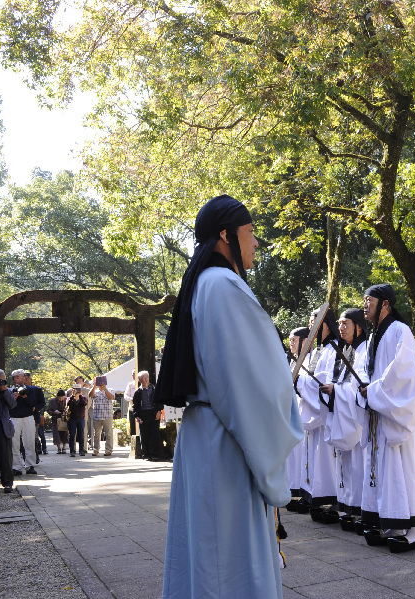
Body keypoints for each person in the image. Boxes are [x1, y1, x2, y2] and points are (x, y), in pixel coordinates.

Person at [159, 194, 303, 599]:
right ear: (225, 235)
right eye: (251, 233)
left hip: (207, 436)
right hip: (227, 444)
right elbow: (250, 388)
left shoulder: (204, 284)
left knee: (206, 555)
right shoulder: (224, 286)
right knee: (229, 560)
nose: (256, 243)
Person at [358, 283, 415, 553]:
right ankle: (393, 524)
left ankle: (414, 530)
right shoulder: (374, 337)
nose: (364, 305)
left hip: (395, 415)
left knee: (402, 468)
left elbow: (403, 371)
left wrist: (373, 392)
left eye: (369, 300)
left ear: (385, 304)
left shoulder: (400, 330)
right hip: (381, 413)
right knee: (384, 470)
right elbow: (367, 372)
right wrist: (365, 389)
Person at [320, 308, 369, 530]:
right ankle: (349, 505)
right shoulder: (345, 351)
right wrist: (333, 390)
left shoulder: (365, 349)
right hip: (342, 414)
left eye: (345, 323)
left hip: (356, 418)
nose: (340, 328)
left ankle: (361, 509)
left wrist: (337, 391)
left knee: (359, 465)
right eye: (339, 323)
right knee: (346, 465)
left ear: (358, 326)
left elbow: (358, 385)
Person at [295, 306, 341, 523]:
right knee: (315, 460)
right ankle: (316, 495)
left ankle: (333, 500)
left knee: (328, 460)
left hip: (326, 415)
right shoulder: (317, 350)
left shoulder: (335, 348)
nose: (311, 327)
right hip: (313, 414)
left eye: (314, 323)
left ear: (324, 324)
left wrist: (300, 382)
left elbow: (325, 381)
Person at [285, 327, 309, 511]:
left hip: (307, 414)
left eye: (294, 340)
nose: (291, 343)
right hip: (293, 412)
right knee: (293, 456)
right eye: (290, 340)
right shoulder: (292, 360)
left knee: (303, 455)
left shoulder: (309, 359)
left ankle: (303, 492)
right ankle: (293, 489)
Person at [9, 369, 39, 475]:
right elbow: (8, 406)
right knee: (14, 443)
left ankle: (30, 465)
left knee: (29, 441)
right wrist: (14, 397)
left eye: (22, 378)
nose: (20, 380)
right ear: (13, 379)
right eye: (18, 378)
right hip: (14, 418)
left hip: (28, 417)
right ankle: (16, 467)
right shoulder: (9, 391)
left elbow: (33, 405)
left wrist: (24, 396)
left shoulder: (30, 390)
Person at [132, 372, 163, 461]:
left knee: (155, 434)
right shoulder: (138, 392)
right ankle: (146, 454)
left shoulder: (154, 389)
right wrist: (136, 416)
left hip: (153, 413)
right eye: (144, 378)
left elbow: (159, 401)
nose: (146, 379)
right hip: (143, 414)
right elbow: (135, 405)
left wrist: (159, 411)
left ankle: (155, 454)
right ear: (139, 380)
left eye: (147, 377)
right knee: (144, 434)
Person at [0, 370, 17, 493]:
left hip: (5, 428)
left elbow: (12, 405)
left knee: (6, 457)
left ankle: (8, 483)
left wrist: (3, 391)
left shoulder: (7, 391)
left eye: (3, 380)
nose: (1, 382)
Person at [88, 378, 115, 457]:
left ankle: (108, 450)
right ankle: (96, 449)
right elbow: (90, 395)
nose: (101, 384)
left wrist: (105, 389)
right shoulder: (95, 391)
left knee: (109, 433)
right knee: (96, 434)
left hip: (107, 415)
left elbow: (111, 397)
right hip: (97, 415)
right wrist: (94, 386)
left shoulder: (110, 389)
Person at [66, 385, 88, 457]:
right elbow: (67, 404)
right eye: (76, 390)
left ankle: (81, 450)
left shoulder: (83, 398)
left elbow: (84, 403)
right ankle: (72, 451)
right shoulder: (70, 398)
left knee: (81, 434)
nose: (77, 391)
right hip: (72, 419)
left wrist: (80, 395)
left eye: (78, 390)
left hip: (81, 418)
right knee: (72, 435)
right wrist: (73, 395)